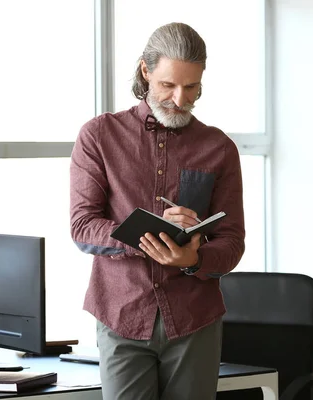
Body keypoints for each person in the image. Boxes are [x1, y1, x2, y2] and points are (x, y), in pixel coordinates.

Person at [69, 22, 245, 400]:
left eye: (191, 87)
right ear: (146, 72)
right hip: (121, 314)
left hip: (195, 320)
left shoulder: (220, 148)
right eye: (168, 85)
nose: (180, 99)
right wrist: (149, 236)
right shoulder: (99, 136)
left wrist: (194, 257)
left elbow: (232, 243)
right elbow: (83, 227)